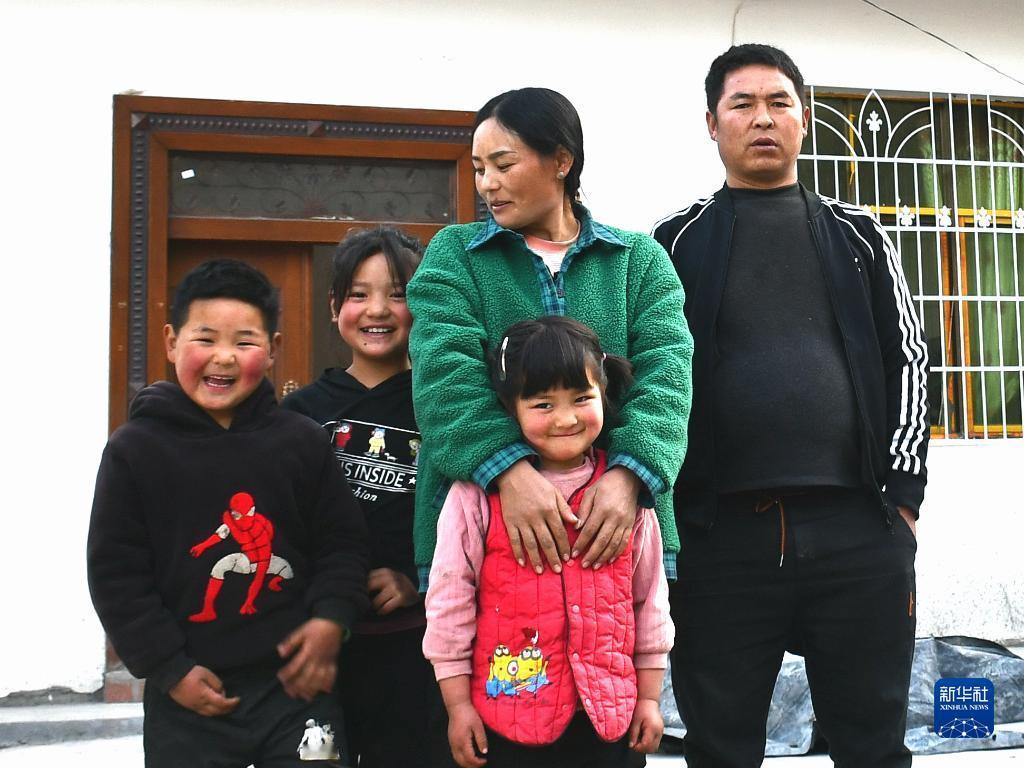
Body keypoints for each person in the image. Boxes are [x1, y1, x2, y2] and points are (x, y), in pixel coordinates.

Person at [651, 44, 929, 767]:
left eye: (779, 103)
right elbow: (648, 378)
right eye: (741, 104)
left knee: (873, 746)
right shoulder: (674, 242)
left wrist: (901, 500)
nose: (762, 118)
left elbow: (909, 357)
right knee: (721, 747)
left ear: (803, 119)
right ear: (711, 124)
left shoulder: (858, 232)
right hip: (718, 537)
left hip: (857, 527)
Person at [407, 86, 692, 593]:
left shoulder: (638, 260)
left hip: (616, 530)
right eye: (479, 169)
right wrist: (509, 473)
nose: (488, 184)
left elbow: (668, 378)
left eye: (503, 164)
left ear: (562, 161)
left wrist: (629, 478)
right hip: (481, 532)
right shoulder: (455, 255)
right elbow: (443, 377)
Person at [87, 259, 369, 768]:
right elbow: (116, 573)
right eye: (205, 339)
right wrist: (169, 668)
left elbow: (341, 543)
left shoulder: (302, 442)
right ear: (171, 341)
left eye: (244, 342)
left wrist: (331, 619)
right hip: (188, 697)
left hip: (298, 690)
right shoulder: (135, 451)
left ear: (273, 349)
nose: (223, 357)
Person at [423, 316, 673, 768]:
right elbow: (450, 601)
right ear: (509, 406)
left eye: (581, 398)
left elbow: (649, 601)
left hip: (607, 719)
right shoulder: (474, 497)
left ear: (603, 392)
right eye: (542, 404)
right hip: (507, 718)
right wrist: (457, 706)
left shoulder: (627, 496)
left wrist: (650, 699)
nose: (565, 419)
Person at [281, 227, 446, 768]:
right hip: (324, 647)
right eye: (358, 294)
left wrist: (416, 578)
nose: (377, 309)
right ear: (335, 307)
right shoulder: (299, 414)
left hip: (416, 647)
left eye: (398, 294)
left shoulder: (443, 408)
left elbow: (464, 518)